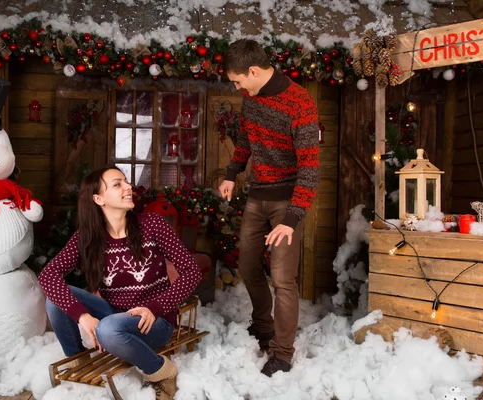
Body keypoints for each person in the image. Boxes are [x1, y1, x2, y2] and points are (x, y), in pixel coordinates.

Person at [39, 167, 202, 400]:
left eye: (126, 182)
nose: (128, 188)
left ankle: (162, 372)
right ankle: (78, 362)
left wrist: (155, 308)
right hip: (113, 315)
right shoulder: (88, 238)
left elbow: (191, 271)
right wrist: (82, 316)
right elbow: (48, 276)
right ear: (98, 199)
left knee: (108, 329)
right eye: (117, 184)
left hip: (153, 321)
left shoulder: (152, 225)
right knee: (55, 300)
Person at [219, 39, 320, 377]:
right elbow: (246, 140)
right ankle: (263, 326)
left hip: (287, 203)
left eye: (237, 80)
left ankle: (282, 352)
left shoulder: (300, 104)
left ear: (254, 70)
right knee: (248, 267)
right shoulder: (250, 98)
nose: (236, 87)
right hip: (256, 196)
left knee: (282, 279)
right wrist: (232, 173)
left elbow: (310, 170)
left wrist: (291, 220)